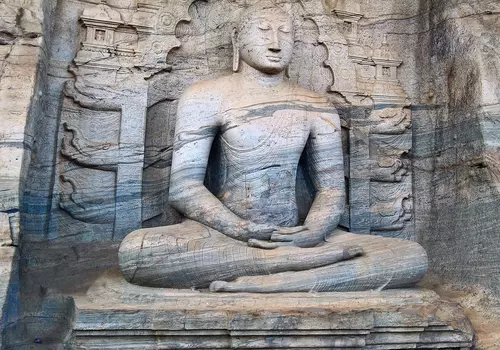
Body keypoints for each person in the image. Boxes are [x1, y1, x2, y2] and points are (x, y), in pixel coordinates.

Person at [118, 1, 427, 292]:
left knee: (410, 257)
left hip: (299, 236)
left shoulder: (315, 104)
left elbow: (331, 190)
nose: (276, 41)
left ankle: (274, 276)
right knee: (137, 252)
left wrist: (312, 233)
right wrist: (239, 229)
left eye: (285, 32)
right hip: (221, 235)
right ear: (238, 38)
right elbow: (184, 188)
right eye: (263, 30)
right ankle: (292, 268)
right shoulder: (205, 96)